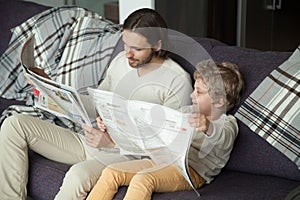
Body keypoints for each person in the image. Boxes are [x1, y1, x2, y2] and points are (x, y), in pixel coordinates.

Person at [0, 8, 192, 200]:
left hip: (127, 157)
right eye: (126, 45)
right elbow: (97, 103)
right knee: (14, 125)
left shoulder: (176, 81)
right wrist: (50, 87)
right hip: (91, 140)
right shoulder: (120, 63)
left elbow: (169, 146)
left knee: (77, 175)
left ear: (157, 45)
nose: (128, 54)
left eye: (137, 49)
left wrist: (112, 142)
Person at [86, 59, 244, 200]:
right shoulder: (185, 112)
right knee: (111, 172)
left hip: (191, 171)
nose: (192, 95)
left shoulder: (227, 123)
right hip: (162, 160)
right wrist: (113, 125)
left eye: (199, 92)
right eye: (194, 90)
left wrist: (208, 126)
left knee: (143, 179)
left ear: (219, 101)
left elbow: (223, 138)